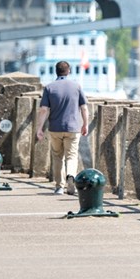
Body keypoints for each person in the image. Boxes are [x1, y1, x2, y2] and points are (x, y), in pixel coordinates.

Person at [36, 60, 89, 196]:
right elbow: (84, 108)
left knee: (57, 156)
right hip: (73, 128)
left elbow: (44, 110)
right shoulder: (76, 86)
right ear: (68, 71)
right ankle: (71, 175)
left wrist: (39, 128)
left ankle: (59, 186)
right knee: (72, 155)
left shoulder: (49, 88)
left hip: (55, 128)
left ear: (56, 72)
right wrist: (85, 124)